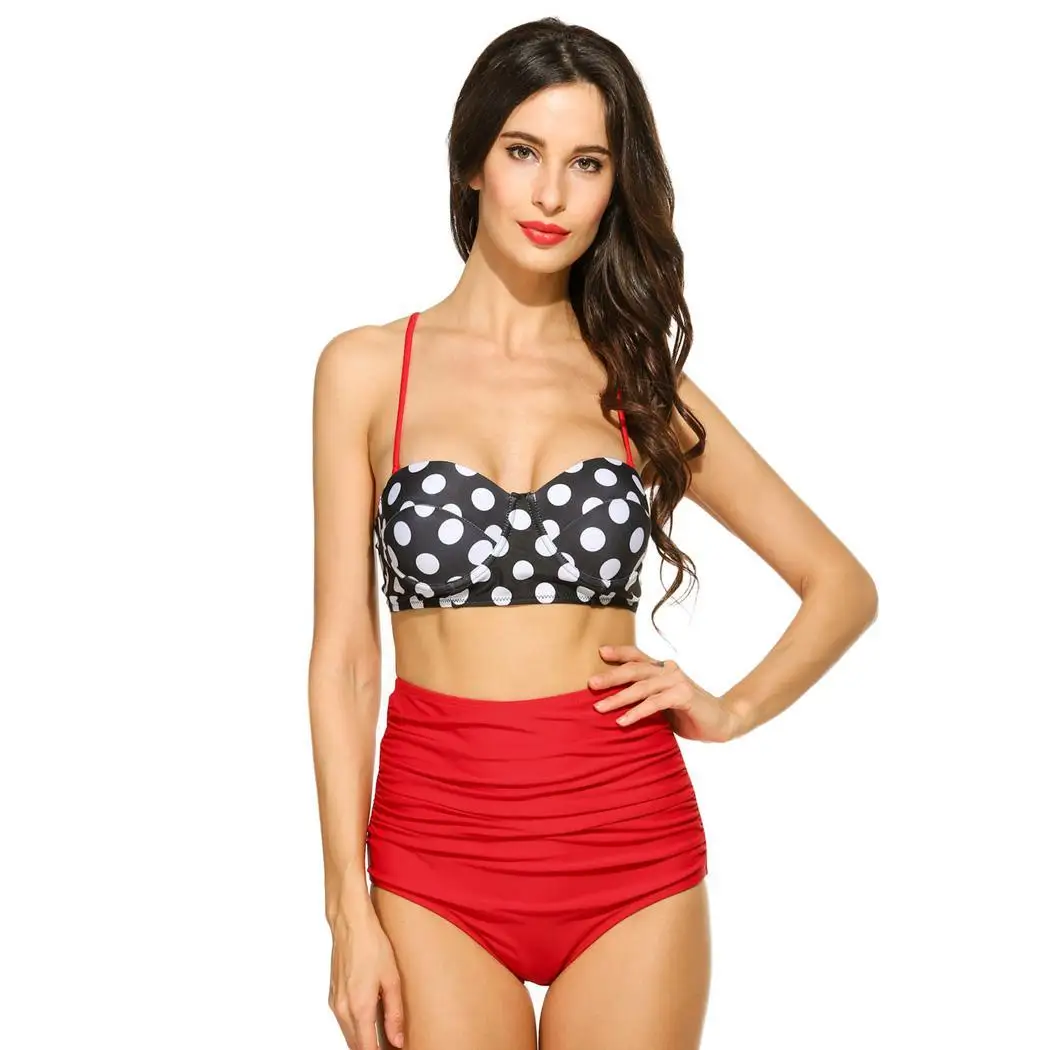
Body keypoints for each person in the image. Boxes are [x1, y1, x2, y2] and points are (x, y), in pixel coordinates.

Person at [308, 17, 877, 1050]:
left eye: (587, 163)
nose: (551, 195)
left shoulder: (641, 387)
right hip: (434, 854)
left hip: (629, 852)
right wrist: (347, 906)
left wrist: (730, 709)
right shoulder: (366, 370)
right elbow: (347, 658)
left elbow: (840, 584)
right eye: (523, 151)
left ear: (616, 186)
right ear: (472, 162)